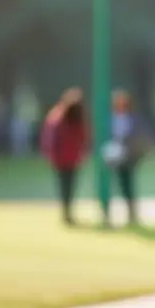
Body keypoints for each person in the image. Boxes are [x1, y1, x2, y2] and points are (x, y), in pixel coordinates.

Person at [40, 88, 90, 225]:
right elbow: (51, 139)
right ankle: (67, 212)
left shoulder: (72, 117)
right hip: (64, 158)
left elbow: (83, 137)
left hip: (69, 158)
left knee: (68, 186)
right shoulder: (59, 117)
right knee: (66, 186)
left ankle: (67, 212)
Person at [106, 90, 151, 225]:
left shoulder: (133, 118)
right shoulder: (110, 118)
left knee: (129, 185)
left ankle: (132, 214)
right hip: (113, 155)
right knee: (114, 184)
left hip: (128, 156)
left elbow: (140, 137)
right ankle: (108, 214)